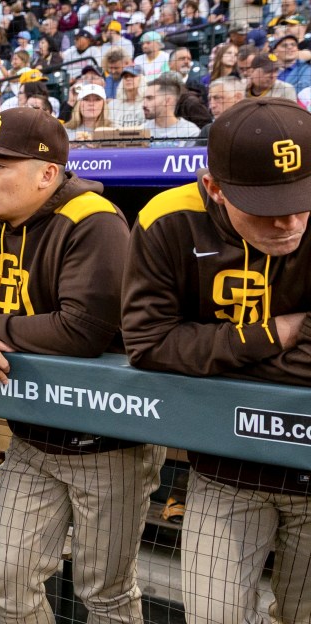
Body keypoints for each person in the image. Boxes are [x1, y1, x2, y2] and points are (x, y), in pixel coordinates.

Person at [0, 106, 165, 624]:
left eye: (0, 165)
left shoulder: (95, 221)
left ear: (47, 174)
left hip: (109, 441)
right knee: (9, 582)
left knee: (104, 593)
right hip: (33, 440)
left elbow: (81, 329)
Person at [121, 98, 311, 624]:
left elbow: (174, 347)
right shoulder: (165, 218)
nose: (290, 222)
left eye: (302, 201)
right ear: (214, 186)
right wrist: (278, 333)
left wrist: (210, 350)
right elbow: (149, 345)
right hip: (225, 471)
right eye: (265, 208)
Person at [142, 79, 201, 146]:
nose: (143, 104)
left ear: (167, 101)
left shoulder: (191, 132)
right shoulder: (141, 131)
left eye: (150, 98)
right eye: (143, 99)